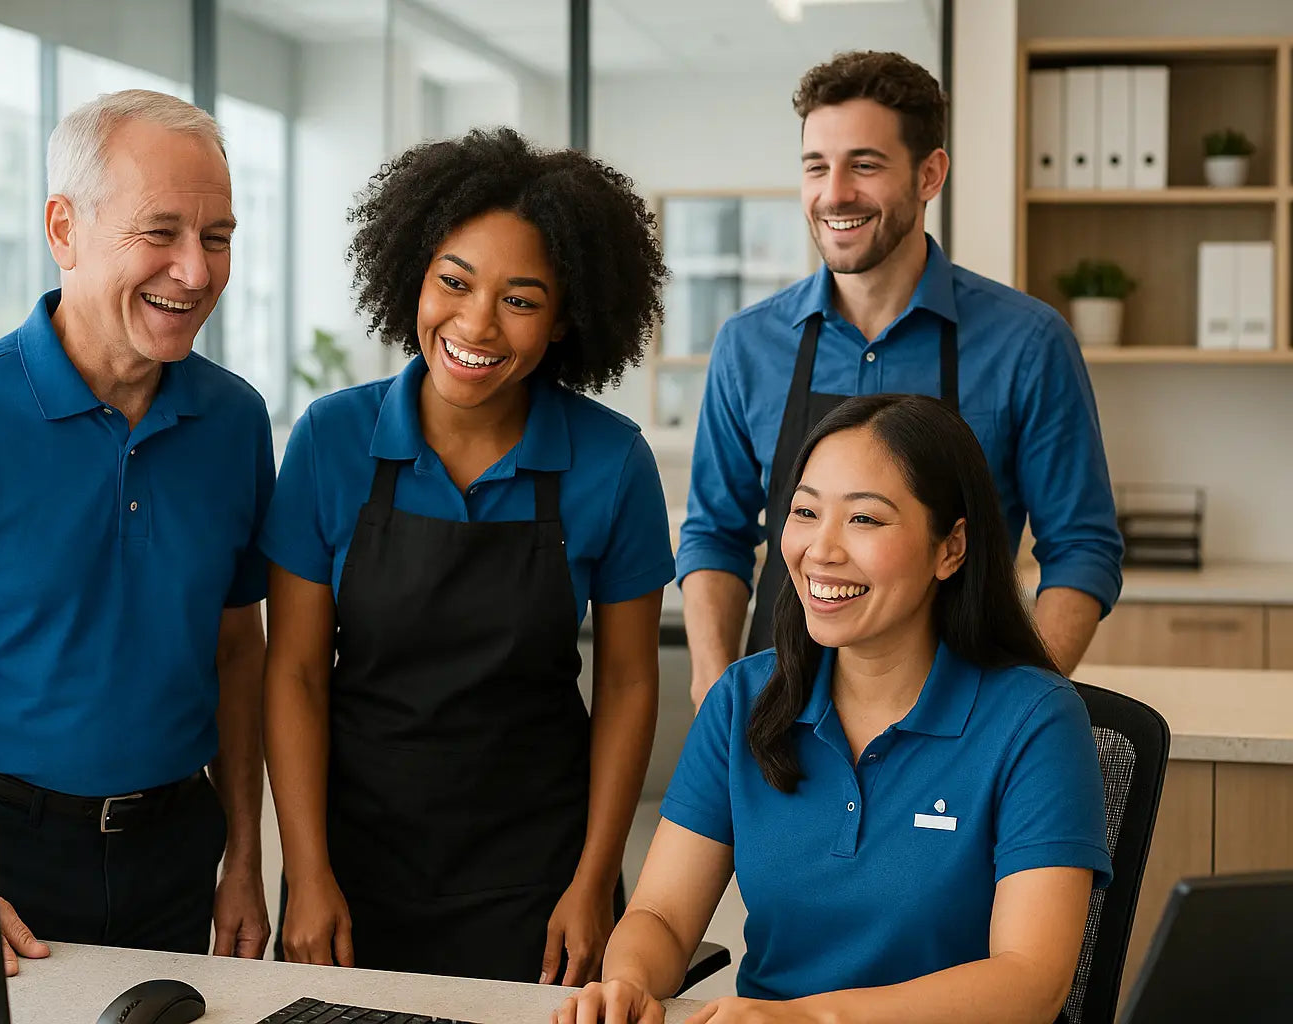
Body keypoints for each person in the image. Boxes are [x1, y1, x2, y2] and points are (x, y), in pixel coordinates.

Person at [0, 89, 274, 976]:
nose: (196, 271)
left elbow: (237, 652)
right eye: (161, 232)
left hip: (176, 849)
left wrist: (244, 859)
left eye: (217, 237)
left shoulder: (236, 421)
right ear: (63, 228)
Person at [262, 127, 673, 987]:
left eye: (521, 300)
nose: (476, 323)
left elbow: (630, 684)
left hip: (540, 874)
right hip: (354, 869)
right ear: (413, 274)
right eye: (454, 282)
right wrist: (306, 871)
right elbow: (294, 673)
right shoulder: (331, 440)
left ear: (565, 319)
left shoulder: (612, 463)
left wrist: (594, 882)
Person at [555, 394, 1111, 1024]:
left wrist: (810, 1019)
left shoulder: (1036, 720)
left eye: (865, 519)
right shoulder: (742, 700)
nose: (821, 549)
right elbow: (661, 915)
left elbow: (1030, 981)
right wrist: (628, 981)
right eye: (805, 512)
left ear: (951, 548)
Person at [679, 50, 1123, 707]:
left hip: (964, 718)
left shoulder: (1027, 343)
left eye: (864, 165)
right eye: (816, 166)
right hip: (779, 714)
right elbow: (715, 535)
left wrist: (1016, 712)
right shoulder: (749, 345)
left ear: (929, 174)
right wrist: (717, 691)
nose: (834, 193)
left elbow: (1082, 548)